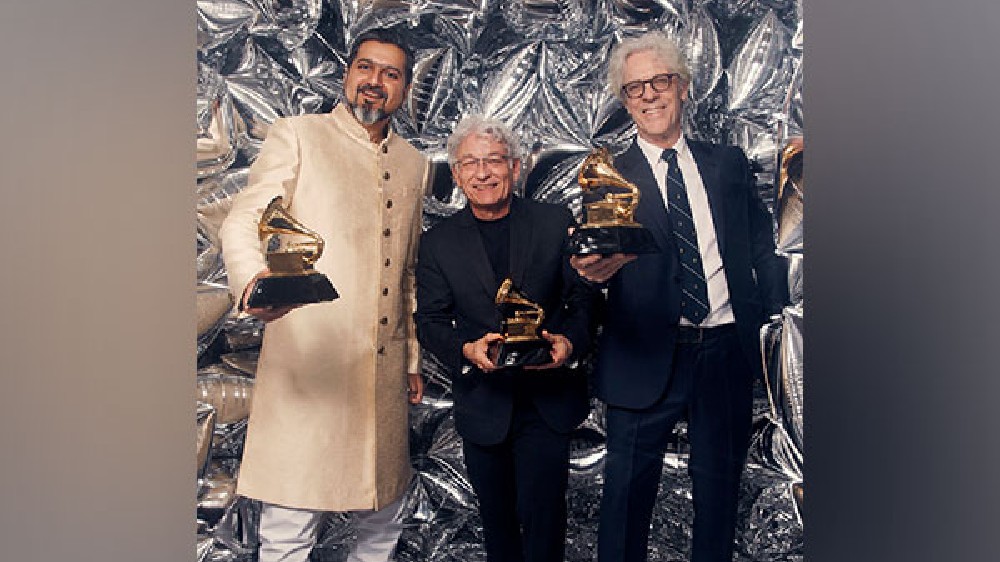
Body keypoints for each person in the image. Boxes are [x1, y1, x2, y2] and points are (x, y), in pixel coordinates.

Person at [570, 32, 789, 562]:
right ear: (625, 101)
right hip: (642, 354)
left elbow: (763, 248)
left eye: (659, 81)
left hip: (724, 352)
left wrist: (774, 331)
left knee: (718, 498)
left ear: (683, 88)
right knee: (625, 502)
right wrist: (592, 277)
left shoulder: (728, 163)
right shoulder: (606, 175)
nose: (648, 95)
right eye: (634, 88)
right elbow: (594, 266)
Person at [219, 28, 427, 562]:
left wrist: (410, 358)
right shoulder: (299, 134)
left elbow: (405, 274)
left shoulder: (413, 164)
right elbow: (244, 219)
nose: (375, 83)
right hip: (308, 368)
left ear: (405, 88)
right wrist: (253, 286)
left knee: (380, 528)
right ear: (347, 74)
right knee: (288, 534)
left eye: (390, 74)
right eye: (365, 67)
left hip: (381, 381)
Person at [414, 115, 595, 562]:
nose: (483, 173)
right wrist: (464, 350)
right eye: (470, 163)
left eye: (494, 160)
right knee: (497, 526)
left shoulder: (555, 222)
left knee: (545, 521)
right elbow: (431, 320)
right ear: (456, 174)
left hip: (546, 401)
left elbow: (586, 299)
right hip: (484, 402)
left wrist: (569, 344)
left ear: (515, 167)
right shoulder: (438, 243)